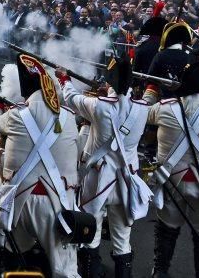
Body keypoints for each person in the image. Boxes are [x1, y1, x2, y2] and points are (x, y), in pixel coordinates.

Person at [0, 54, 82, 278]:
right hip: (56, 204)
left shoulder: (16, 114)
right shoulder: (68, 117)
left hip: (18, 202)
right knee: (65, 270)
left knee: (11, 253)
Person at [56, 57, 152, 278]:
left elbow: (70, 98)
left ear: (109, 81)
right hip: (126, 182)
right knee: (122, 240)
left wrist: (64, 78)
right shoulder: (142, 108)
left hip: (98, 180)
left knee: (92, 234)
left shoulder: (98, 105)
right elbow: (145, 98)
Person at [146, 62, 199, 278]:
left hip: (170, 184)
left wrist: (157, 90)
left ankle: (160, 272)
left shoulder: (164, 108)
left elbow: (144, 113)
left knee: (167, 230)